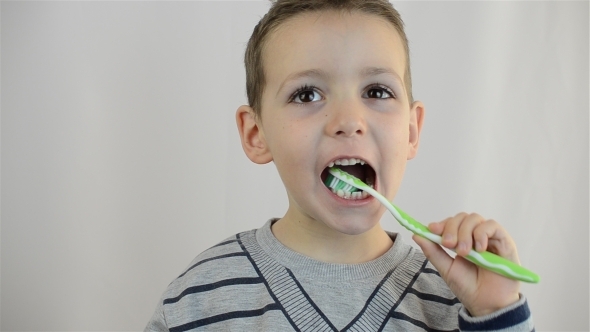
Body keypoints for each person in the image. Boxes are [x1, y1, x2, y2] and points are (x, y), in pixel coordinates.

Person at [146, 0, 534, 330]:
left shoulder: (459, 302)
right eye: (307, 94)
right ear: (256, 134)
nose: (349, 120)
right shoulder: (199, 301)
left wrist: (495, 312)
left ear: (412, 131)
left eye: (377, 91)